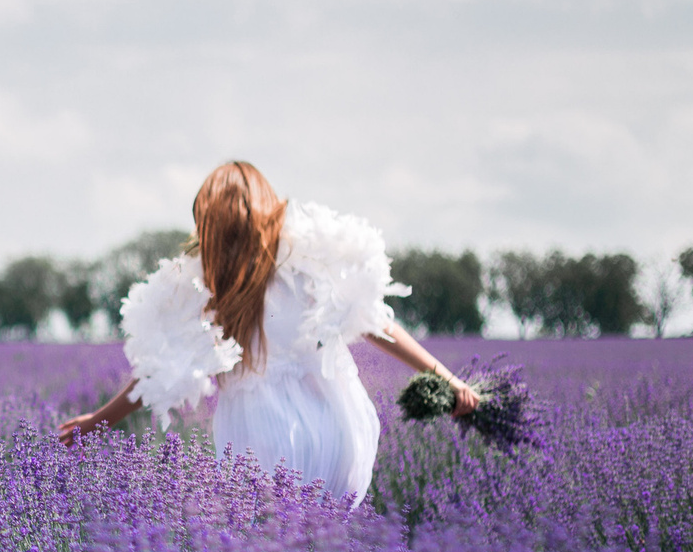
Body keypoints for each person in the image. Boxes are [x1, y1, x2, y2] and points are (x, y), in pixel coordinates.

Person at [57, 160, 476, 504]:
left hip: (258, 438)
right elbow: (376, 324)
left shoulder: (207, 286)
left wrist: (99, 420)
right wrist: (449, 378)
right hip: (335, 430)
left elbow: (161, 373)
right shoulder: (306, 263)